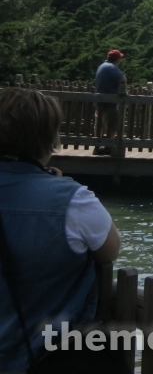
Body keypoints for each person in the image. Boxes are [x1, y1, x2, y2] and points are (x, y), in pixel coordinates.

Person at [0, 88, 126, 374]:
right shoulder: (73, 201)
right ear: (48, 140)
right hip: (41, 357)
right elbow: (110, 249)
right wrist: (57, 186)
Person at [93, 51, 126, 156]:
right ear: (117, 59)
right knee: (113, 124)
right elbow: (123, 79)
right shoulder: (112, 67)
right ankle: (109, 147)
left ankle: (97, 146)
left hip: (99, 100)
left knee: (99, 124)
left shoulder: (102, 65)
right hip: (109, 101)